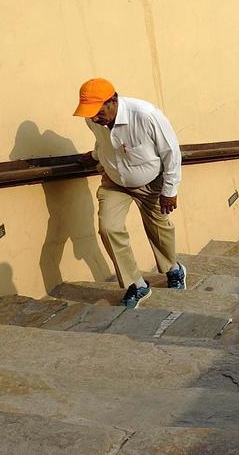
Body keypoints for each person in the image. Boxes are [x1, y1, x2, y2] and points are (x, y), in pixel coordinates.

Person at [72, 78, 184, 309]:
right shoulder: (93, 119)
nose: (93, 117)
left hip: (152, 182)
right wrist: (93, 157)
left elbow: (171, 152)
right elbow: (104, 143)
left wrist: (170, 190)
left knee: (159, 228)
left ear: (113, 100)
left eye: (98, 111)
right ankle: (137, 284)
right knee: (108, 228)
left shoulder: (146, 115)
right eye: (89, 112)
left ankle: (173, 269)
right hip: (114, 181)